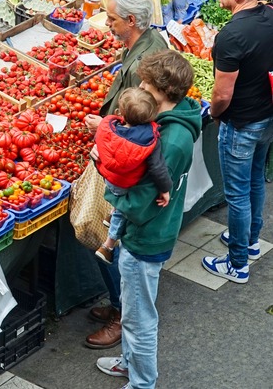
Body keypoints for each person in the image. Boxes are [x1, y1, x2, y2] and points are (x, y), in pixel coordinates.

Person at [96, 50, 200, 389]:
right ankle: (128, 363)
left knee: (140, 319)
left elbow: (143, 204)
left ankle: (141, 383)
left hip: (146, 238)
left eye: (147, 82)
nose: (140, 85)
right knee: (132, 308)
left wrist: (110, 188)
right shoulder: (170, 124)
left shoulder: (170, 141)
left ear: (163, 90)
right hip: (146, 233)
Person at [83, 0, 169, 351]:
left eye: (113, 18)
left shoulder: (141, 68)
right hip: (131, 165)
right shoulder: (149, 44)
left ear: (132, 20)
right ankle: (119, 305)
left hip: (125, 174)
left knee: (106, 237)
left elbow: (138, 131)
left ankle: (122, 315)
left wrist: (102, 127)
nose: (107, 24)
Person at [202, 0, 273, 284]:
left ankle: (237, 263)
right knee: (256, 180)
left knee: (237, 194)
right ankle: (251, 241)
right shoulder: (270, 15)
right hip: (266, 118)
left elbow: (222, 94)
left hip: (241, 124)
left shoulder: (231, 35)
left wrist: (215, 115)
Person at [94, 88, 172, 265]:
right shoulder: (150, 140)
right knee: (123, 211)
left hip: (109, 177)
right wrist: (165, 189)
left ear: (121, 113)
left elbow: (99, 147)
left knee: (115, 196)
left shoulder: (108, 128)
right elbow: (158, 169)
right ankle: (108, 245)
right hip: (127, 183)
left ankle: (111, 212)